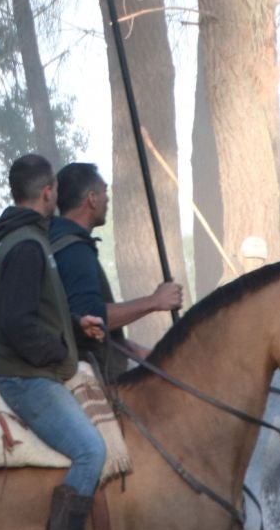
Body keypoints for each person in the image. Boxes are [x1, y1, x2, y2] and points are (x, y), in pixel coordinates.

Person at [0, 154, 120, 530]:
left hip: (34, 367)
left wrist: (73, 325)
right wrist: (62, 350)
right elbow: (19, 323)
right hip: (26, 377)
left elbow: (35, 309)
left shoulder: (27, 240)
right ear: (48, 193)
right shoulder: (25, 244)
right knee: (89, 450)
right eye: (55, 190)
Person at [49, 162, 184, 379]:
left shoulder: (57, 240)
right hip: (89, 373)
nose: (107, 199)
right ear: (92, 199)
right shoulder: (75, 251)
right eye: (104, 192)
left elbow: (75, 322)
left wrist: (127, 346)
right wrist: (155, 301)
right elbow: (90, 316)